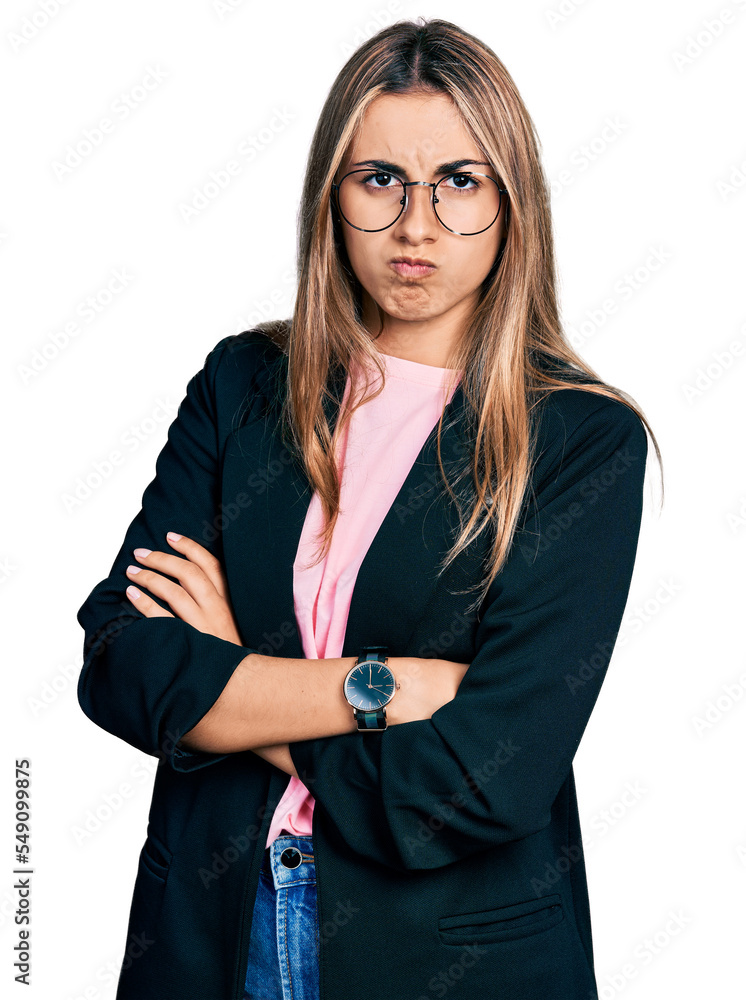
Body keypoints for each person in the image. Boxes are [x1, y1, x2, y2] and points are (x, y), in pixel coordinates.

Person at [76, 17, 662, 1000]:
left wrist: (231, 681)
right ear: (331, 196)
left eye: (459, 182)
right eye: (379, 179)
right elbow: (122, 664)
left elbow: (478, 781)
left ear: (514, 202)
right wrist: (375, 688)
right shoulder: (244, 386)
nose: (416, 225)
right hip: (214, 938)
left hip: (450, 961)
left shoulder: (578, 439)